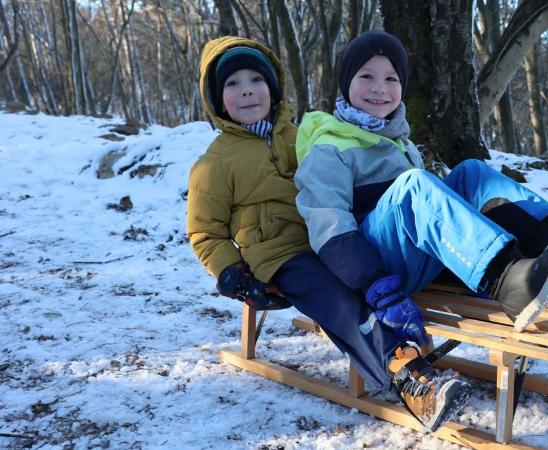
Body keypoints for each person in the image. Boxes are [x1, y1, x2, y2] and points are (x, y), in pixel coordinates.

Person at [186, 36, 470, 432]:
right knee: (337, 299)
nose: (247, 89)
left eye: (256, 79)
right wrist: (231, 272)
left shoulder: (303, 134)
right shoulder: (213, 163)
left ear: (274, 88)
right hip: (280, 256)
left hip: (334, 237)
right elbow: (205, 232)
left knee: (366, 274)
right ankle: (407, 375)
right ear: (217, 100)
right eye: (232, 84)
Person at [294, 31, 548, 337]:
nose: (379, 88)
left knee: (471, 172)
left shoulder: (399, 141)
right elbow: (329, 227)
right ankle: (507, 279)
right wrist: (375, 285)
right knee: (414, 186)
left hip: (413, 256)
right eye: (366, 76)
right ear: (345, 84)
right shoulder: (328, 147)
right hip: (375, 274)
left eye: (391, 78)